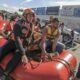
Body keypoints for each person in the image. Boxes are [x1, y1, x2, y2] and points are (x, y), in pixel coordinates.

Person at [0, 8, 35, 80]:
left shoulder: (31, 26)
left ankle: (5, 74)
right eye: (29, 15)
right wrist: (23, 53)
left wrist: (25, 49)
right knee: (2, 50)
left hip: (21, 44)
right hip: (12, 42)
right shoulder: (18, 24)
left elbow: (28, 38)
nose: (31, 17)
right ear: (25, 16)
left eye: (32, 16)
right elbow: (17, 39)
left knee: (18, 56)